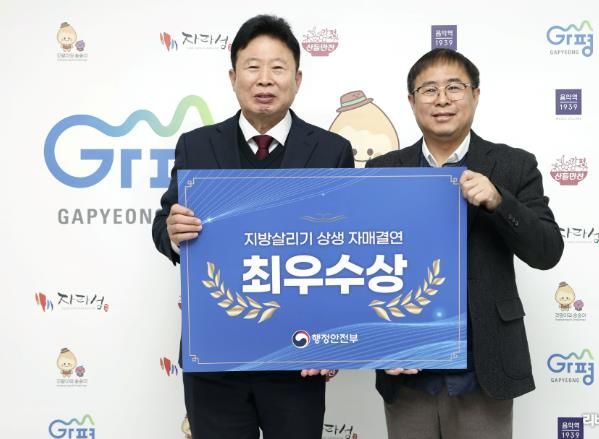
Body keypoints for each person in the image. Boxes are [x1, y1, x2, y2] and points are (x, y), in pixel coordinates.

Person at [152, 14, 354, 439]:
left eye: (278, 67)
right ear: (233, 77)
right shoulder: (197, 145)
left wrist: (332, 339)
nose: (265, 79)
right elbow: (163, 223)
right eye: (252, 66)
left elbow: (346, 247)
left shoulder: (331, 150)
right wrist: (171, 232)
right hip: (215, 355)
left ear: (297, 79)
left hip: (297, 353)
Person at [366, 48, 564, 439]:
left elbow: (547, 252)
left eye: (454, 88)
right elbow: (360, 263)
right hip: (408, 370)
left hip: (483, 368)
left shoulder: (514, 165)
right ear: (411, 101)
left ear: (475, 95)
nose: (442, 100)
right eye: (429, 90)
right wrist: (380, 343)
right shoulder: (383, 171)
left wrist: (500, 200)